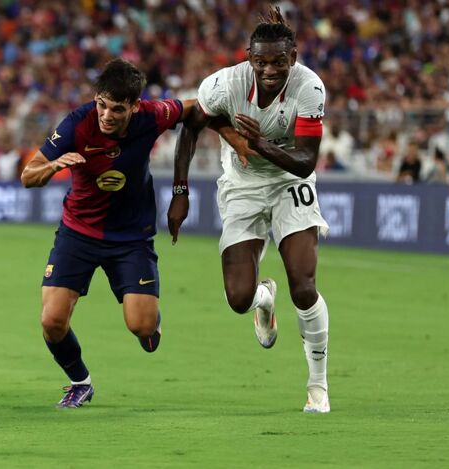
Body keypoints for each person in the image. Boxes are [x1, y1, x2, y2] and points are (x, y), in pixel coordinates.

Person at [167, 6, 331, 413]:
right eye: (261, 62)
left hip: (290, 182)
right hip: (242, 185)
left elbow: (305, 161)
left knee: (304, 285)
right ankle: (263, 299)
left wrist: (259, 144)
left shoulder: (310, 87)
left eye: (279, 62)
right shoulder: (225, 84)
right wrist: (180, 191)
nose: (269, 70)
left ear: (293, 58)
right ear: (249, 57)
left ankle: (317, 386)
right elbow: (191, 126)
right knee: (238, 298)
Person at [20, 58, 194, 408]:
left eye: (117, 109)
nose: (106, 115)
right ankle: (80, 382)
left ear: (134, 106)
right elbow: (28, 176)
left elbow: (198, 110)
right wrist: (54, 165)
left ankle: (150, 319)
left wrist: (181, 189)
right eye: (101, 104)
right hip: (78, 233)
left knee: (142, 328)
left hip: (131, 238)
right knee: (52, 321)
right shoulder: (76, 124)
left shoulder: (153, 115)